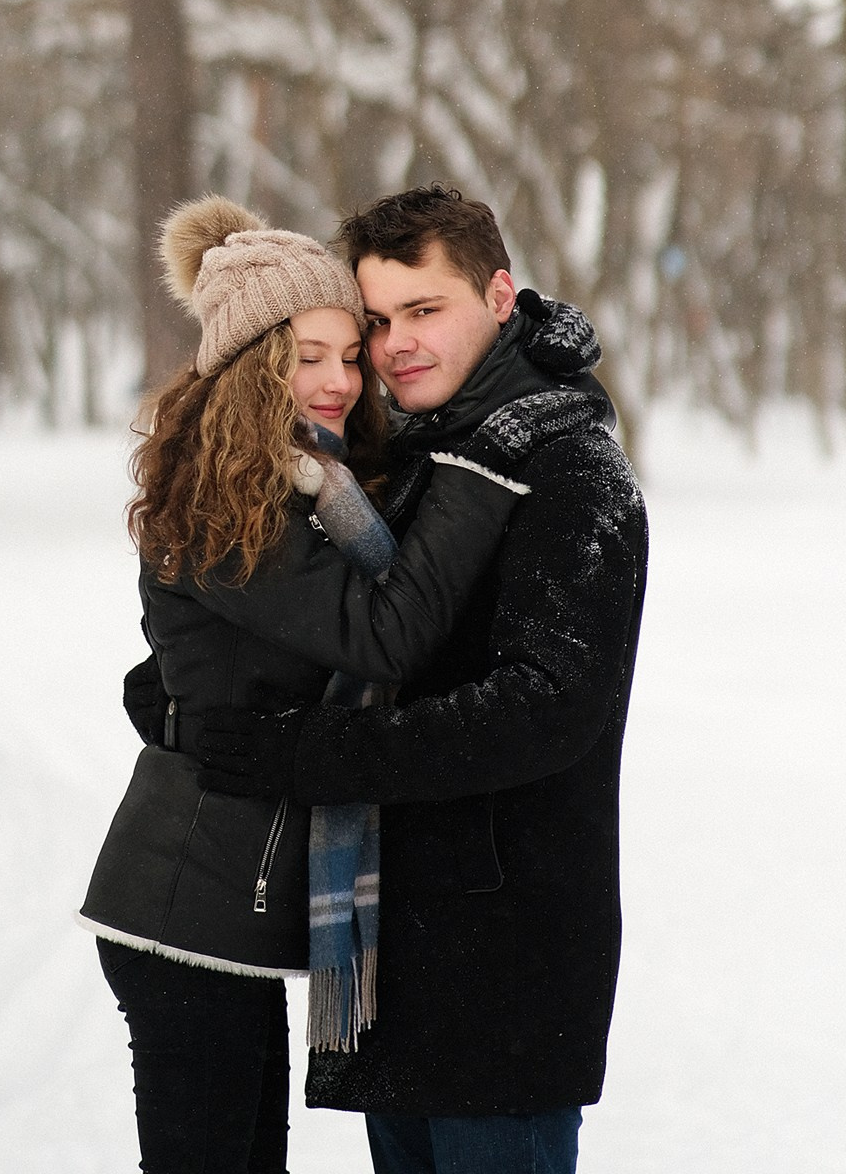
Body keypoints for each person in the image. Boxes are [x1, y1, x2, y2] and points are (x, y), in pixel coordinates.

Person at [196, 185, 649, 1174]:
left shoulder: (570, 476)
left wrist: (311, 754)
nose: (395, 343)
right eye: (376, 321)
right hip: (390, 957)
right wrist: (192, 687)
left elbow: (540, 711)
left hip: (503, 967)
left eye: (422, 309)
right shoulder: (403, 464)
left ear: (497, 293)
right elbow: (339, 632)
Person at [78, 195, 528, 1174]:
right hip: (182, 916)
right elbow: (381, 634)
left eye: (344, 353)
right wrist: (476, 480)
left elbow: (214, 657)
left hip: (218, 916)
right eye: (303, 357)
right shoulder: (226, 501)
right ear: (251, 368)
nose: (333, 380)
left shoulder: (305, 482)